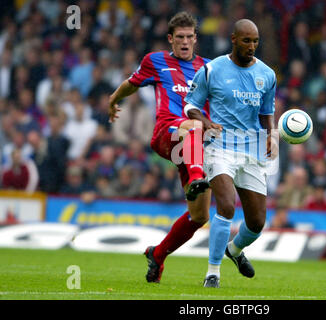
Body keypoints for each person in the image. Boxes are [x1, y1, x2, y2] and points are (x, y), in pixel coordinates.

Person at [108, 12, 219, 283]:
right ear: (170, 39)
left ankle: (157, 255)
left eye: (188, 37)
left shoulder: (209, 68)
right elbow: (131, 84)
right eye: (179, 37)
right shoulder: (155, 61)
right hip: (166, 133)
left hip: (195, 147)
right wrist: (113, 99)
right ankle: (196, 178)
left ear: (195, 39)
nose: (184, 42)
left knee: (199, 216)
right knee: (192, 127)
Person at [184, 19, 277, 288]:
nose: (252, 46)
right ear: (234, 39)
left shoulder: (267, 75)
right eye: (246, 40)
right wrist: (206, 122)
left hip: (251, 149)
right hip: (219, 145)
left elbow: (266, 112)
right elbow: (191, 106)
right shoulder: (212, 70)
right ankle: (213, 273)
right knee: (226, 205)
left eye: (255, 41)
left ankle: (233, 251)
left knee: (257, 222)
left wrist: (270, 135)